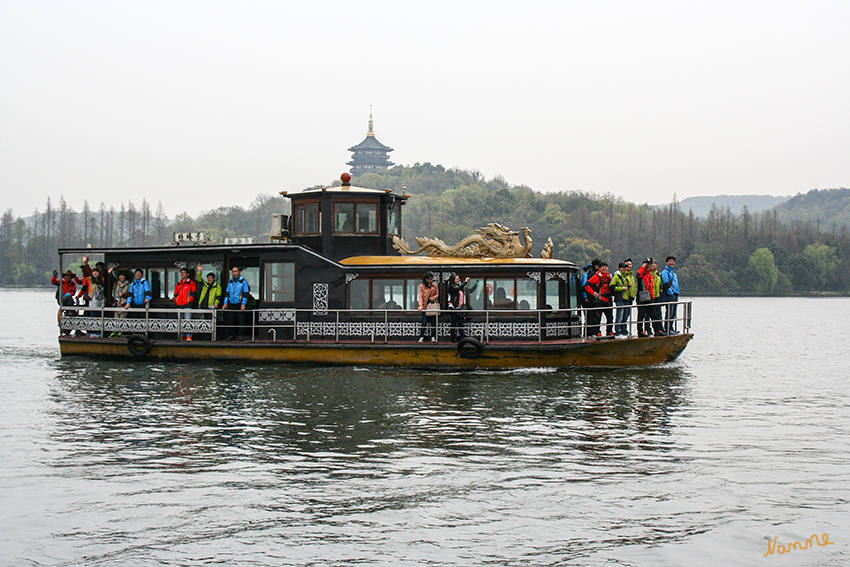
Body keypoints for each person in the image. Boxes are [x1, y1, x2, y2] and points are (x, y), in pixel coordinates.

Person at [584, 261, 613, 337]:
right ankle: (597, 332)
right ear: (599, 268)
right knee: (597, 317)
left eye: (605, 267)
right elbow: (586, 285)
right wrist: (593, 293)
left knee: (610, 317)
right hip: (599, 300)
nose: (604, 268)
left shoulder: (609, 276)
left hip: (608, 299)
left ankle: (609, 331)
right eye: (602, 267)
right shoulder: (596, 276)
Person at [610, 259, 636, 338]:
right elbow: (612, 286)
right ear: (620, 268)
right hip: (620, 298)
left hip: (626, 298)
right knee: (619, 316)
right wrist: (621, 288)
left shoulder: (625, 276)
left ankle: (624, 331)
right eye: (623, 268)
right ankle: (617, 332)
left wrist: (628, 286)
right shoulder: (617, 276)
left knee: (625, 316)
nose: (625, 269)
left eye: (626, 267)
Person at [52, 268, 82, 335]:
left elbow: (73, 292)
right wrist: (54, 276)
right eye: (67, 276)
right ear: (64, 277)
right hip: (61, 299)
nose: (68, 277)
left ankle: (77, 329)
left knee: (70, 301)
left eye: (69, 276)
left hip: (69, 300)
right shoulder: (61, 282)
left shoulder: (72, 284)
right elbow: (54, 282)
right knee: (68, 300)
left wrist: (68, 294)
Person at [223, 266, 250, 340]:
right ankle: (231, 335)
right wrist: (225, 303)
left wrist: (243, 304)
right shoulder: (230, 282)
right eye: (233, 271)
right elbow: (227, 293)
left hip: (239, 303)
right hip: (231, 303)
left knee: (241, 320)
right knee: (231, 320)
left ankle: (241, 335)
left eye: (235, 271)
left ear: (239, 272)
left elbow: (245, 293)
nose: (234, 273)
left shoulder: (243, 282)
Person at [196, 266, 222, 341]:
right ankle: (206, 336)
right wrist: (199, 272)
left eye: (211, 278)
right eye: (208, 278)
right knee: (205, 322)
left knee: (212, 321)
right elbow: (199, 280)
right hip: (204, 306)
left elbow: (218, 296)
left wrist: (216, 303)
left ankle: (214, 336)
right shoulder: (205, 285)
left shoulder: (217, 286)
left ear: (214, 278)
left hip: (212, 307)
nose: (209, 279)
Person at [174, 267, 197, 341]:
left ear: (187, 274)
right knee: (180, 321)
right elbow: (175, 294)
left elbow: (193, 294)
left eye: (184, 273)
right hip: (179, 305)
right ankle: (181, 335)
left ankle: (189, 336)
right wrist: (176, 300)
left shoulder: (191, 283)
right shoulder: (178, 283)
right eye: (181, 272)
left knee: (187, 321)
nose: (182, 274)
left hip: (187, 305)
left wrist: (188, 301)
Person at [447, 274, 470, 342]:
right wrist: (465, 282)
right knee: (453, 322)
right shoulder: (452, 287)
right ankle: (453, 337)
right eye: (456, 279)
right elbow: (458, 289)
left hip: (458, 307)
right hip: (453, 307)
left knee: (460, 322)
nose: (458, 280)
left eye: (458, 279)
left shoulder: (457, 286)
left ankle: (462, 335)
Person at [661, 255, 680, 334]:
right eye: (670, 261)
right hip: (670, 295)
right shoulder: (665, 272)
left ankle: (671, 328)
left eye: (673, 261)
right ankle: (668, 329)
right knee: (669, 312)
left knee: (673, 313)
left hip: (675, 294)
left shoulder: (673, 272)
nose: (671, 263)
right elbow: (666, 283)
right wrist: (670, 292)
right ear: (667, 262)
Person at [417, 272, 439, 343]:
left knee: (433, 322)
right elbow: (420, 296)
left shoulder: (434, 285)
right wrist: (420, 306)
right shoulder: (422, 286)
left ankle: (433, 337)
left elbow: (437, 294)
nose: (431, 280)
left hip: (432, 305)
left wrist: (433, 297)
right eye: (430, 279)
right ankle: (421, 336)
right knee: (424, 322)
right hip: (425, 306)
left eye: (432, 279)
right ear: (426, 279)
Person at [110, 270, 130, 337]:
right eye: (120, 276)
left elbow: (130, 294)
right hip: (117, 303)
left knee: (122, 319)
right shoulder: (117, 284)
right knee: (116, 319)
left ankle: (120, 332)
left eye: (122, 276)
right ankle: (114, 332)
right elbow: (112, 279)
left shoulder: (128, 284)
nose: (121, 277)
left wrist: (123, 295)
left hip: (124, 304)